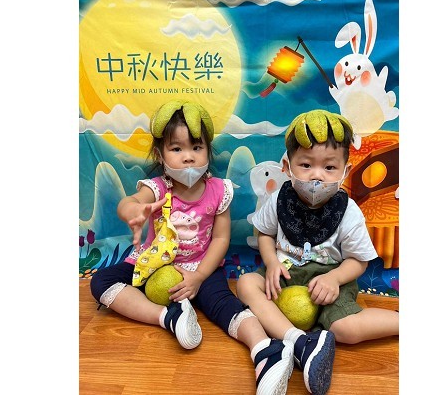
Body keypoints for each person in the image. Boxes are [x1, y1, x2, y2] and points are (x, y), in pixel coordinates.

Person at [90, 100, 294, 395]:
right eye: (177, 149)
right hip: (155, 263)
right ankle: (168, 317)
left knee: (224, 304)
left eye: (196, 148)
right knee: (101, 282)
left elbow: (221, 239)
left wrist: (199, 276)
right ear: (160, 155)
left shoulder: (219, 190)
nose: (188, 157)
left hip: (201, 266)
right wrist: (134, 211)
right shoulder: (157, 187)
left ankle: (265, 350)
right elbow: (130, 202)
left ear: (207, 151)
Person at [237, 109, 400, 395]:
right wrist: (271, 262)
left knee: (346, 330)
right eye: (305, 164)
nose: (316, 176)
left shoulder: (348, 211)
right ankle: (297, 339)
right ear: (287, 166)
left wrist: (335, 279)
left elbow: (358, 261)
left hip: (330, 278)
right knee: (245, 283)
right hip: (286, 272)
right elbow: (265, 234)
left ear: (345, 171)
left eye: (329, 168)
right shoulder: (278, 200)